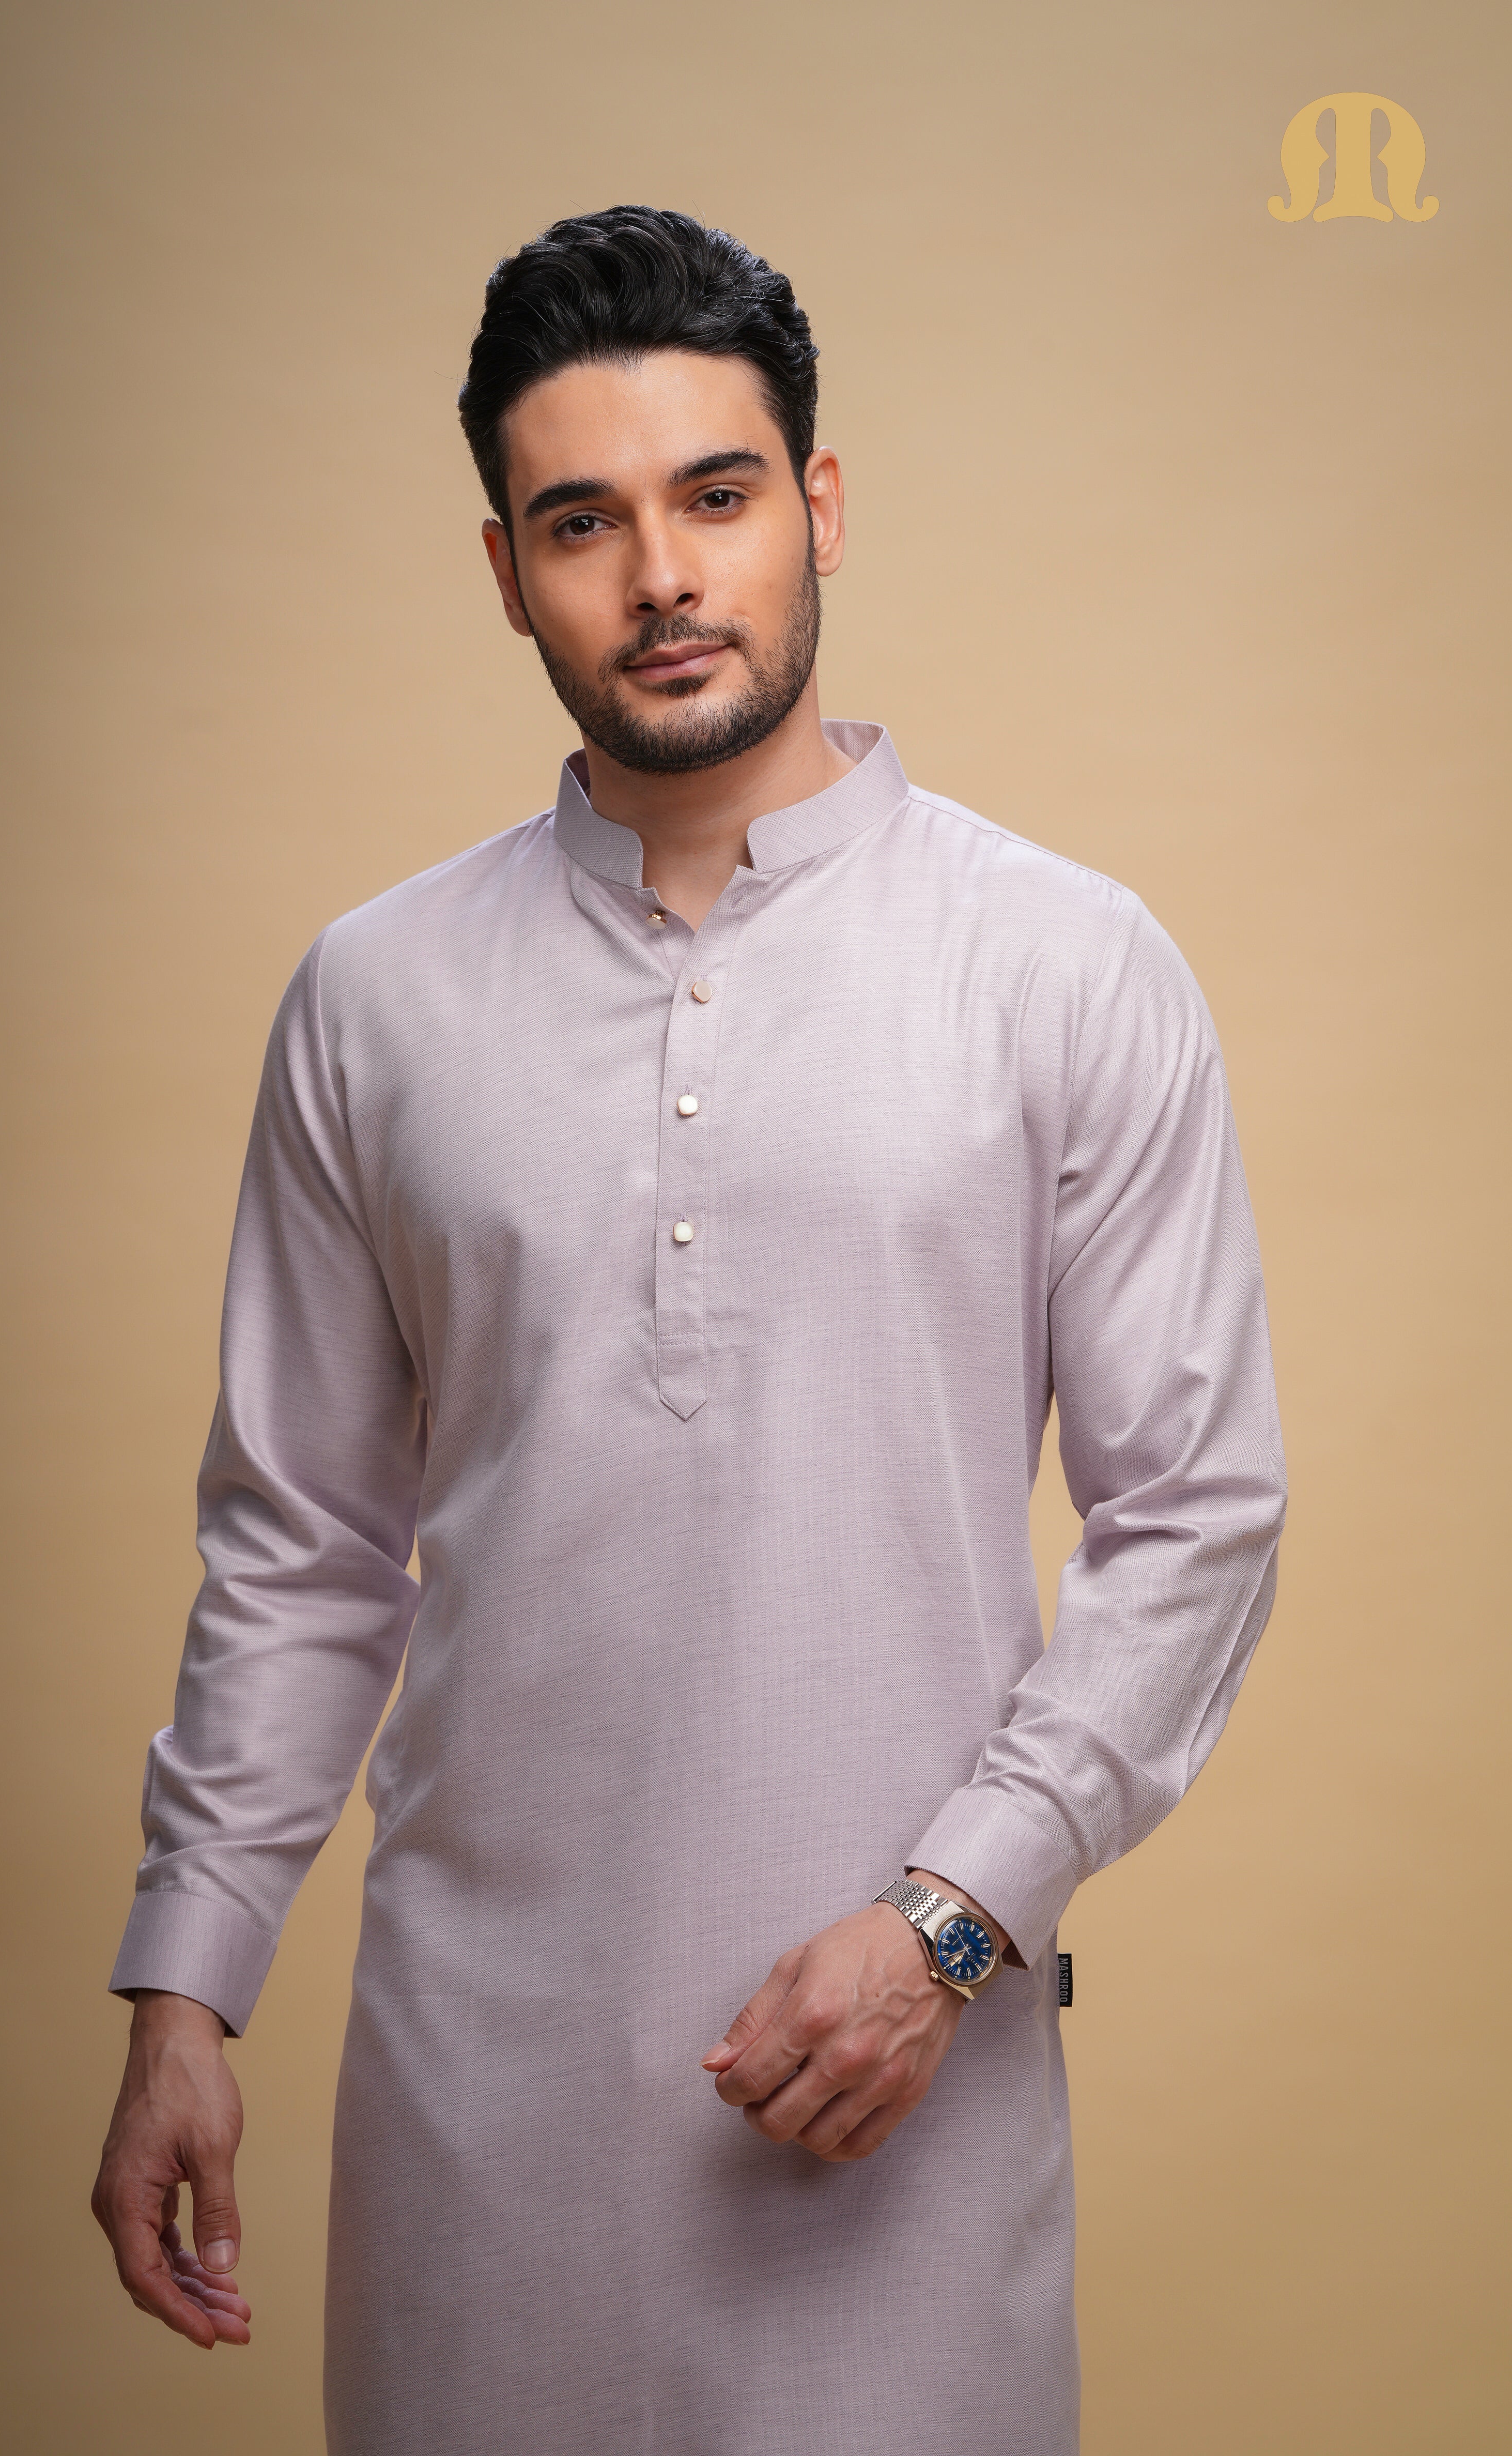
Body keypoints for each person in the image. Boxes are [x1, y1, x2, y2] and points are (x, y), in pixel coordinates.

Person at [92, 206, 1286, 2455]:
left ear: (818, 506)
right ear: (506, 571)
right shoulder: (376, 1001)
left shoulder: (1064, 966)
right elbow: (303, 1547)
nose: (660, 576)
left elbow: (1199, 1522)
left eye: (715, 496)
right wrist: (185, 1986)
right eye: (584, 523)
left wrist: (956, 1920)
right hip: (473, 2117)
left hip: (900, 2090)